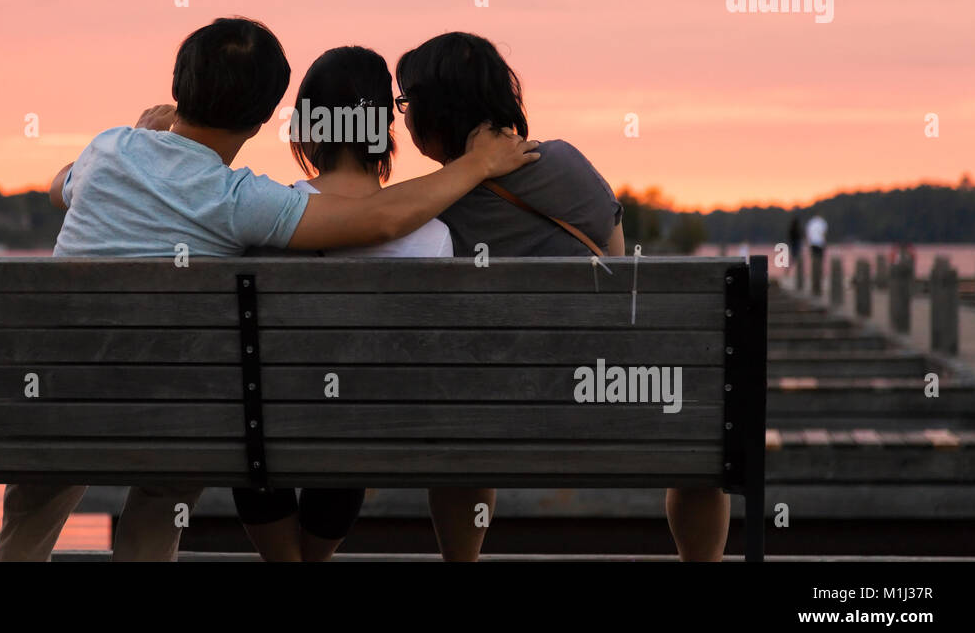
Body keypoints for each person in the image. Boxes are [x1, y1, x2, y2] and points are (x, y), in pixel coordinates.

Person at [0, 18, 539, 562]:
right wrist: (476, 163)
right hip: (166, 417)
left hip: (53, 398)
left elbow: (59, 185)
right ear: (260, 121)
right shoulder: (240, 201)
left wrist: (142, 136)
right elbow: (380, 221)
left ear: (180, 87)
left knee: (33, 509)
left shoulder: (106, 151)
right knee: (164, 492)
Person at [396, 31, 728, 562]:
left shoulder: (422, 208)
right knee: (706, 442)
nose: (404, 118)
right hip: (608, 404)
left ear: (436, 112)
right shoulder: (569, 165)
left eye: (407, 103)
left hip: (488, 420)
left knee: (461, 426)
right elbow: (617, 273)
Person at [230, 45, 454, 561]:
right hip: (373, 433)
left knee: (257, 420)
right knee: (353, 412)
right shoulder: (435, 237)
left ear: (307, 130)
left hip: (262, 435)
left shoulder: (264, 218)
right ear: (385, 133)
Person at [806, 212, 828, 297]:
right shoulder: (822, 222)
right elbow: (824, 234)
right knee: (820, 264)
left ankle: (814, 286)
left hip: (812, 244)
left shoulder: (810, 222)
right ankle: (818, 286)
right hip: (820, 244)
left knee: (814, 264)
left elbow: (808, 235)